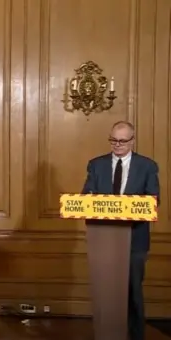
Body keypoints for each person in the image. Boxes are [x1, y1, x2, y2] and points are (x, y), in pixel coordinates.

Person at [82, 121, 159, 340]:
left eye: (122, 141)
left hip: (135, 239)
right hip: (103, 239)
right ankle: (106, 334)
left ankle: (135, 336)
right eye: (113, 140)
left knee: (133, 290)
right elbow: (87, 195)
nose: (117, 145)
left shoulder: (147, 166)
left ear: (132, 141)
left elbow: (153, 200)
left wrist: (127, 208)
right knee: (106, 291)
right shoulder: (96, 165)